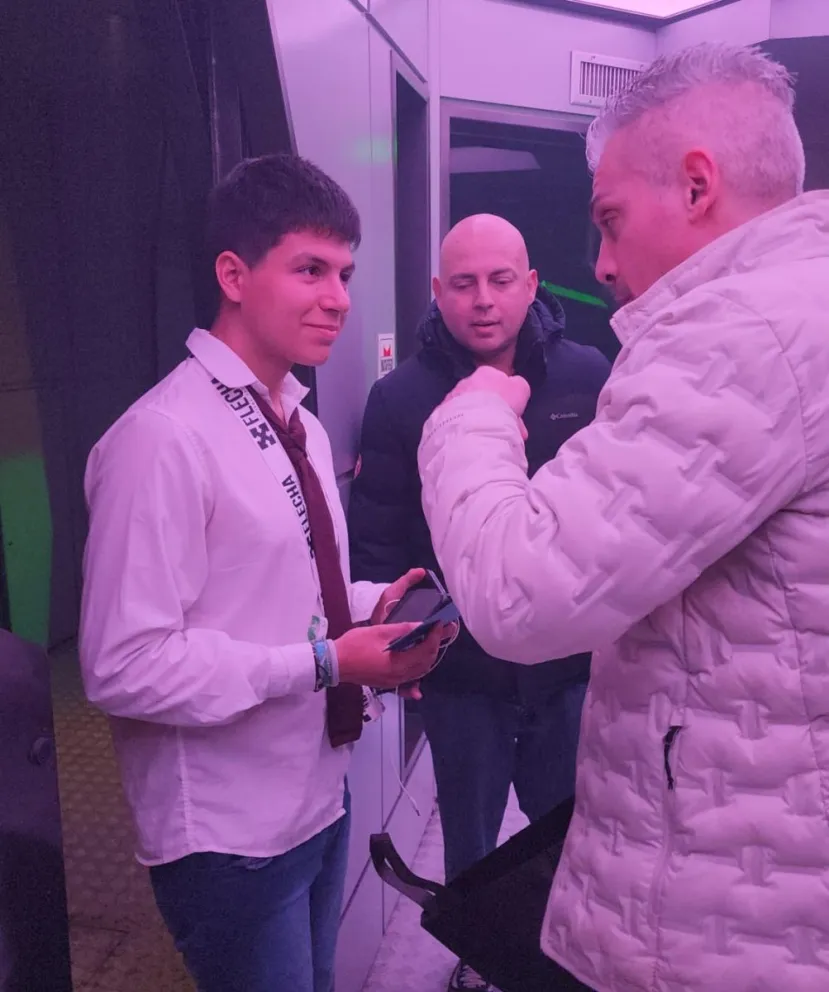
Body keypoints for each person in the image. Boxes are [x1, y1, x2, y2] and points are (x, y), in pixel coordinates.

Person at [417, 42, 829, 992]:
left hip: (727, 925)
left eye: (608, 221)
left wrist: (471, 418)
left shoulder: (744, 334)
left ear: (695, 185)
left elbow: (522, 592)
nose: (599, 263)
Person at [79, 153, 445, 992]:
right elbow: (122, 665)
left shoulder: (300, 421)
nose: (339, 298)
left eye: (345, 272)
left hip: (318, 797)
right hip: (228, 837)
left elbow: (279, 595)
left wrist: (368, 610)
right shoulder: (163, 438)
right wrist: (327, 664)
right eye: (309, 269)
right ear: (233, 275)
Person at [349, 214, 610, 992]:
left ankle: (558, 964)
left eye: (501, 281)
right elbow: (381, 541)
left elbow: (616, 522)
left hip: (566, 674)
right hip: (464, 681)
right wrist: (401, 654)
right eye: (462, 283)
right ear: (437, 292)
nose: (483, 300)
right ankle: (478, 962)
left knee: (568, 837)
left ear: (531, 286)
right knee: (468, 845)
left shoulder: (587, 376)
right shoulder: (399, 398)